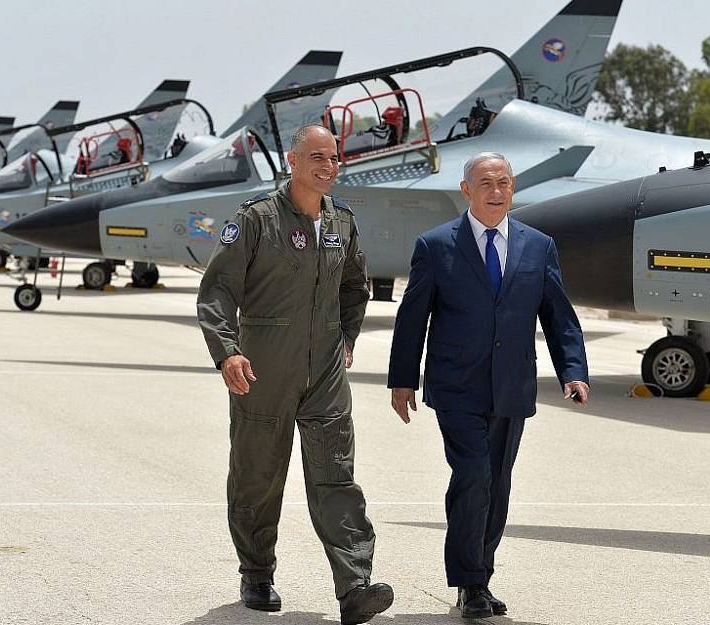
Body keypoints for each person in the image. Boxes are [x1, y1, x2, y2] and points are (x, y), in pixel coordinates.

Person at [197, 125, 393, 625]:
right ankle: (257, 573)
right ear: (292, 160)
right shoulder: (257, 219)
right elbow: (218, 289)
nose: (327, 166)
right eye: (316, 157)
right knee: (258, 477)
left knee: (336, 476)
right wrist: (227, 352)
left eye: (333, 157)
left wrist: (347, 338)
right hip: (264, 369)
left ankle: (354, 586)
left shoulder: (341, 223)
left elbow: (355, 286)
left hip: (325, 371)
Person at [387, 152, 589, 619]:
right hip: (455, 384)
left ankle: (480, 575)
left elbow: (558, 315)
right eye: (485, 183)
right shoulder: (436, 245)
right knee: (474, 474)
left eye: (503, 183)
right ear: (466, 190)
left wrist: (573, 370)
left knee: (497, 482)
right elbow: (412, 317)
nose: (496, 192)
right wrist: (402, 380)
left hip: (511, 386)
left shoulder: (538, 246)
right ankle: (469, 581)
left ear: (513, 188)